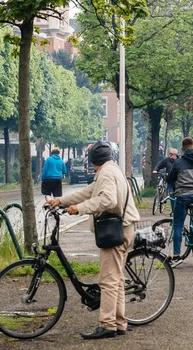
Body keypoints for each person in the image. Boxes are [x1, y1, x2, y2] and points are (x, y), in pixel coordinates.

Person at [48, 141, 140, 339]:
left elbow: (108, 200)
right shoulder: (112, 169)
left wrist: (79, 208)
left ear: (93, 160)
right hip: (125, 228)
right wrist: (61, 201)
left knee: (107, 280)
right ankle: (119, 322)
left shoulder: (106, 173)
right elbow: (89, 191)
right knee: (116, 279)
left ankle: (107, 325)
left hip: (117, 231)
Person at [167, 137, 193, 260]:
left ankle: (177, 254)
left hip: (183, 196)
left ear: (182, 149)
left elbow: (170, 179)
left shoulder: (178, 163)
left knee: (178, 224)